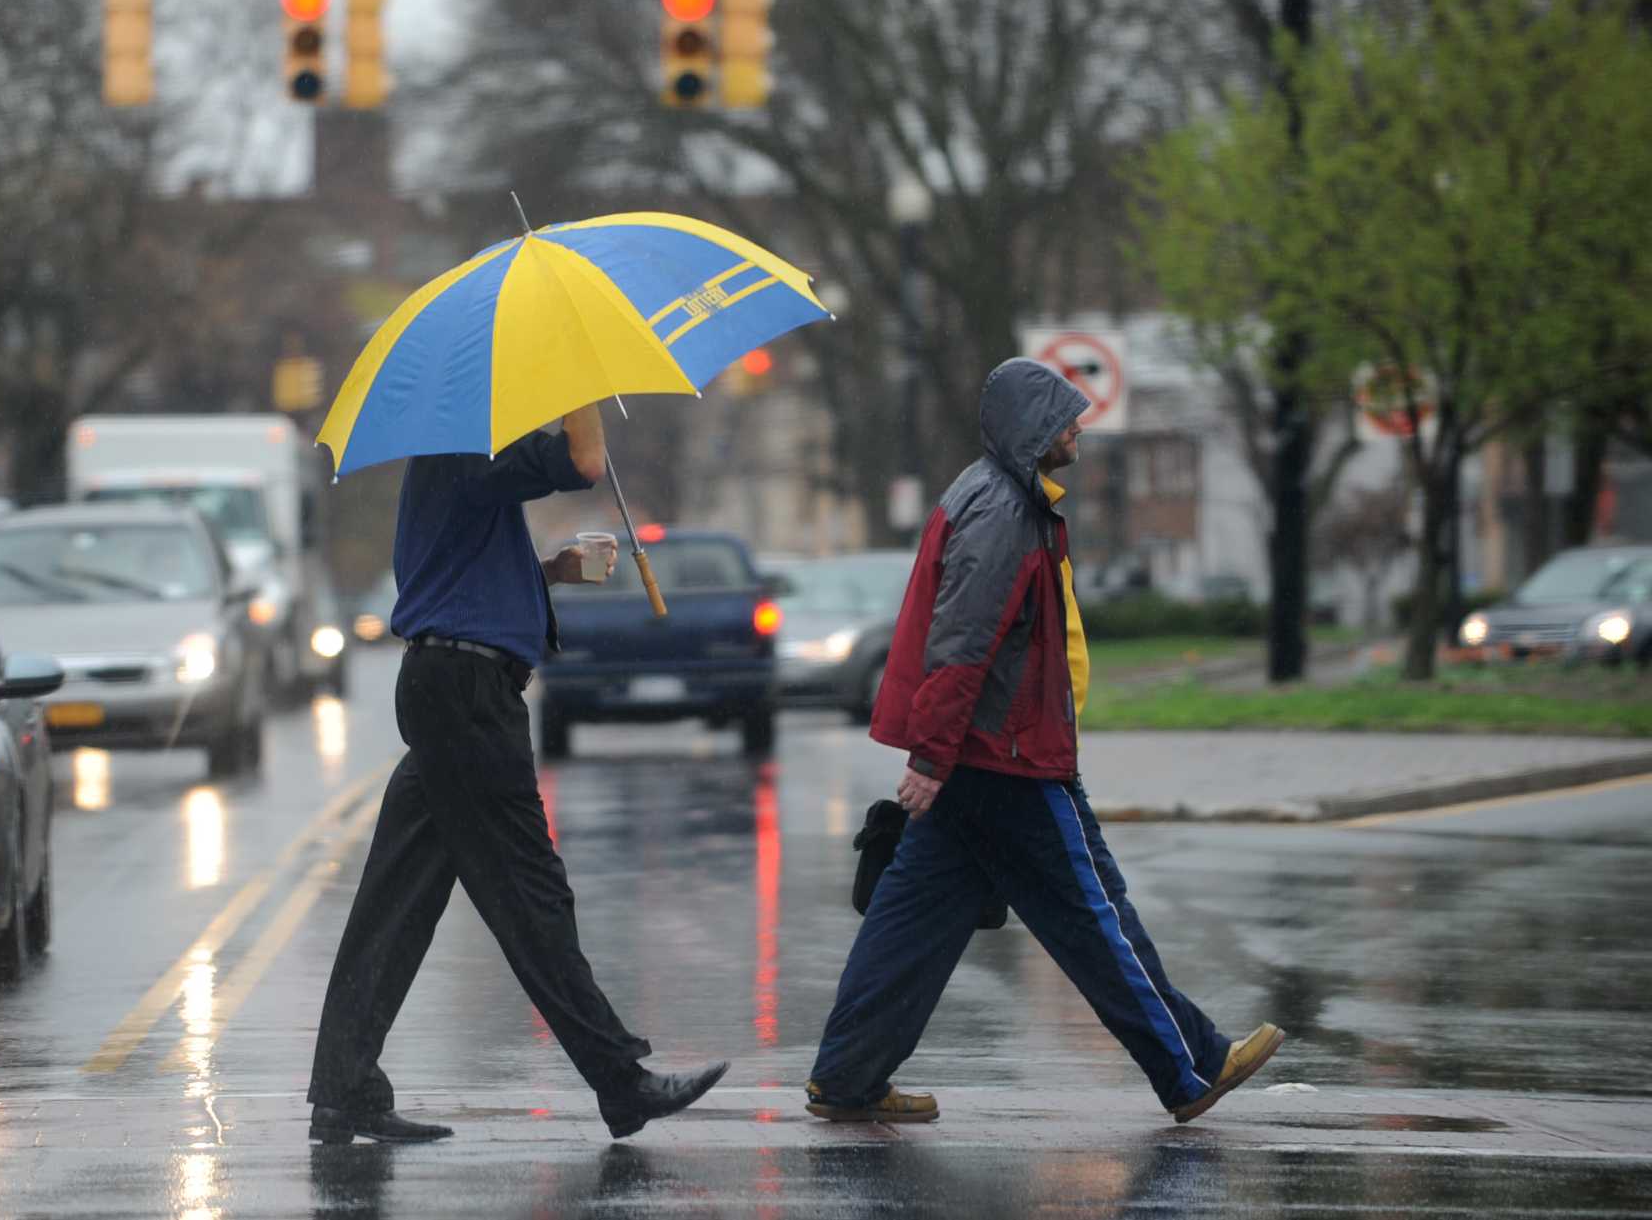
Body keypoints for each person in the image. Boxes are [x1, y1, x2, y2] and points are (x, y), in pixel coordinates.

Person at [803, 358, 1283, 1126]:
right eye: (1064, 417)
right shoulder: (1001, 512)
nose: (1077, 427)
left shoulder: (999, 496)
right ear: (1030, 428)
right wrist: (932, 755)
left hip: (982, 757)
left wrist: (938, 757)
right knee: (1097, 915)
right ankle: (1192, 1065)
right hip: (1010, 758)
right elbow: (962, 644)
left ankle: (847, 1077)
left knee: (909, 925)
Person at [307, 403, 728, 1145]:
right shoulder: (468, 439)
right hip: (467, 697)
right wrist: (586, 384)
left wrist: (552, 574)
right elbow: (585, 461)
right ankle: (620, 1080)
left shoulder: (453, 455)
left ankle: (344, 1087)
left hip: (450, 688)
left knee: (396, 898)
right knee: (530, 893)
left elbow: (460, 574)